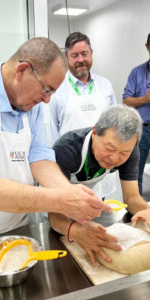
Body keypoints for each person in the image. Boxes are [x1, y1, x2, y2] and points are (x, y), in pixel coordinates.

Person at [0, 37, 111, 242]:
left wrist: (70, 192)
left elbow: (40, 158)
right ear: (22, 70)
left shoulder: (31, 105)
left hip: (15, 220)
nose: (47, 99)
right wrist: (61, 200)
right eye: (46, 89)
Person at [49, 105, 150, 266]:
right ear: (95, 132)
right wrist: (76, 231)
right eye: (109, 149)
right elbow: (55, 214)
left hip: (85, 205)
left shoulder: (130, 151)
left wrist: (146, 211)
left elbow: (132, 197)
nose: (115, 159)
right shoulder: (66, 150)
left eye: (124, 153)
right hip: (55, 209)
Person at [48, 32, 117, 145]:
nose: (80, 60)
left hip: (102, 157)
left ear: (91, 53)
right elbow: (51, 132)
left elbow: (114, 124)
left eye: (84, 54)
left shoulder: (105, 84)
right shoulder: (56, 88)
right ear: (66, 57)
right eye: (75, 55)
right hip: (68, 158)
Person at [123, 33, 150, 196]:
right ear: (147, 47)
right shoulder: (137, 72)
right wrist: (144, 99)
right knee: (136, 174)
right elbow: (125, 100)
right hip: (142, 130)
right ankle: (137, 211)